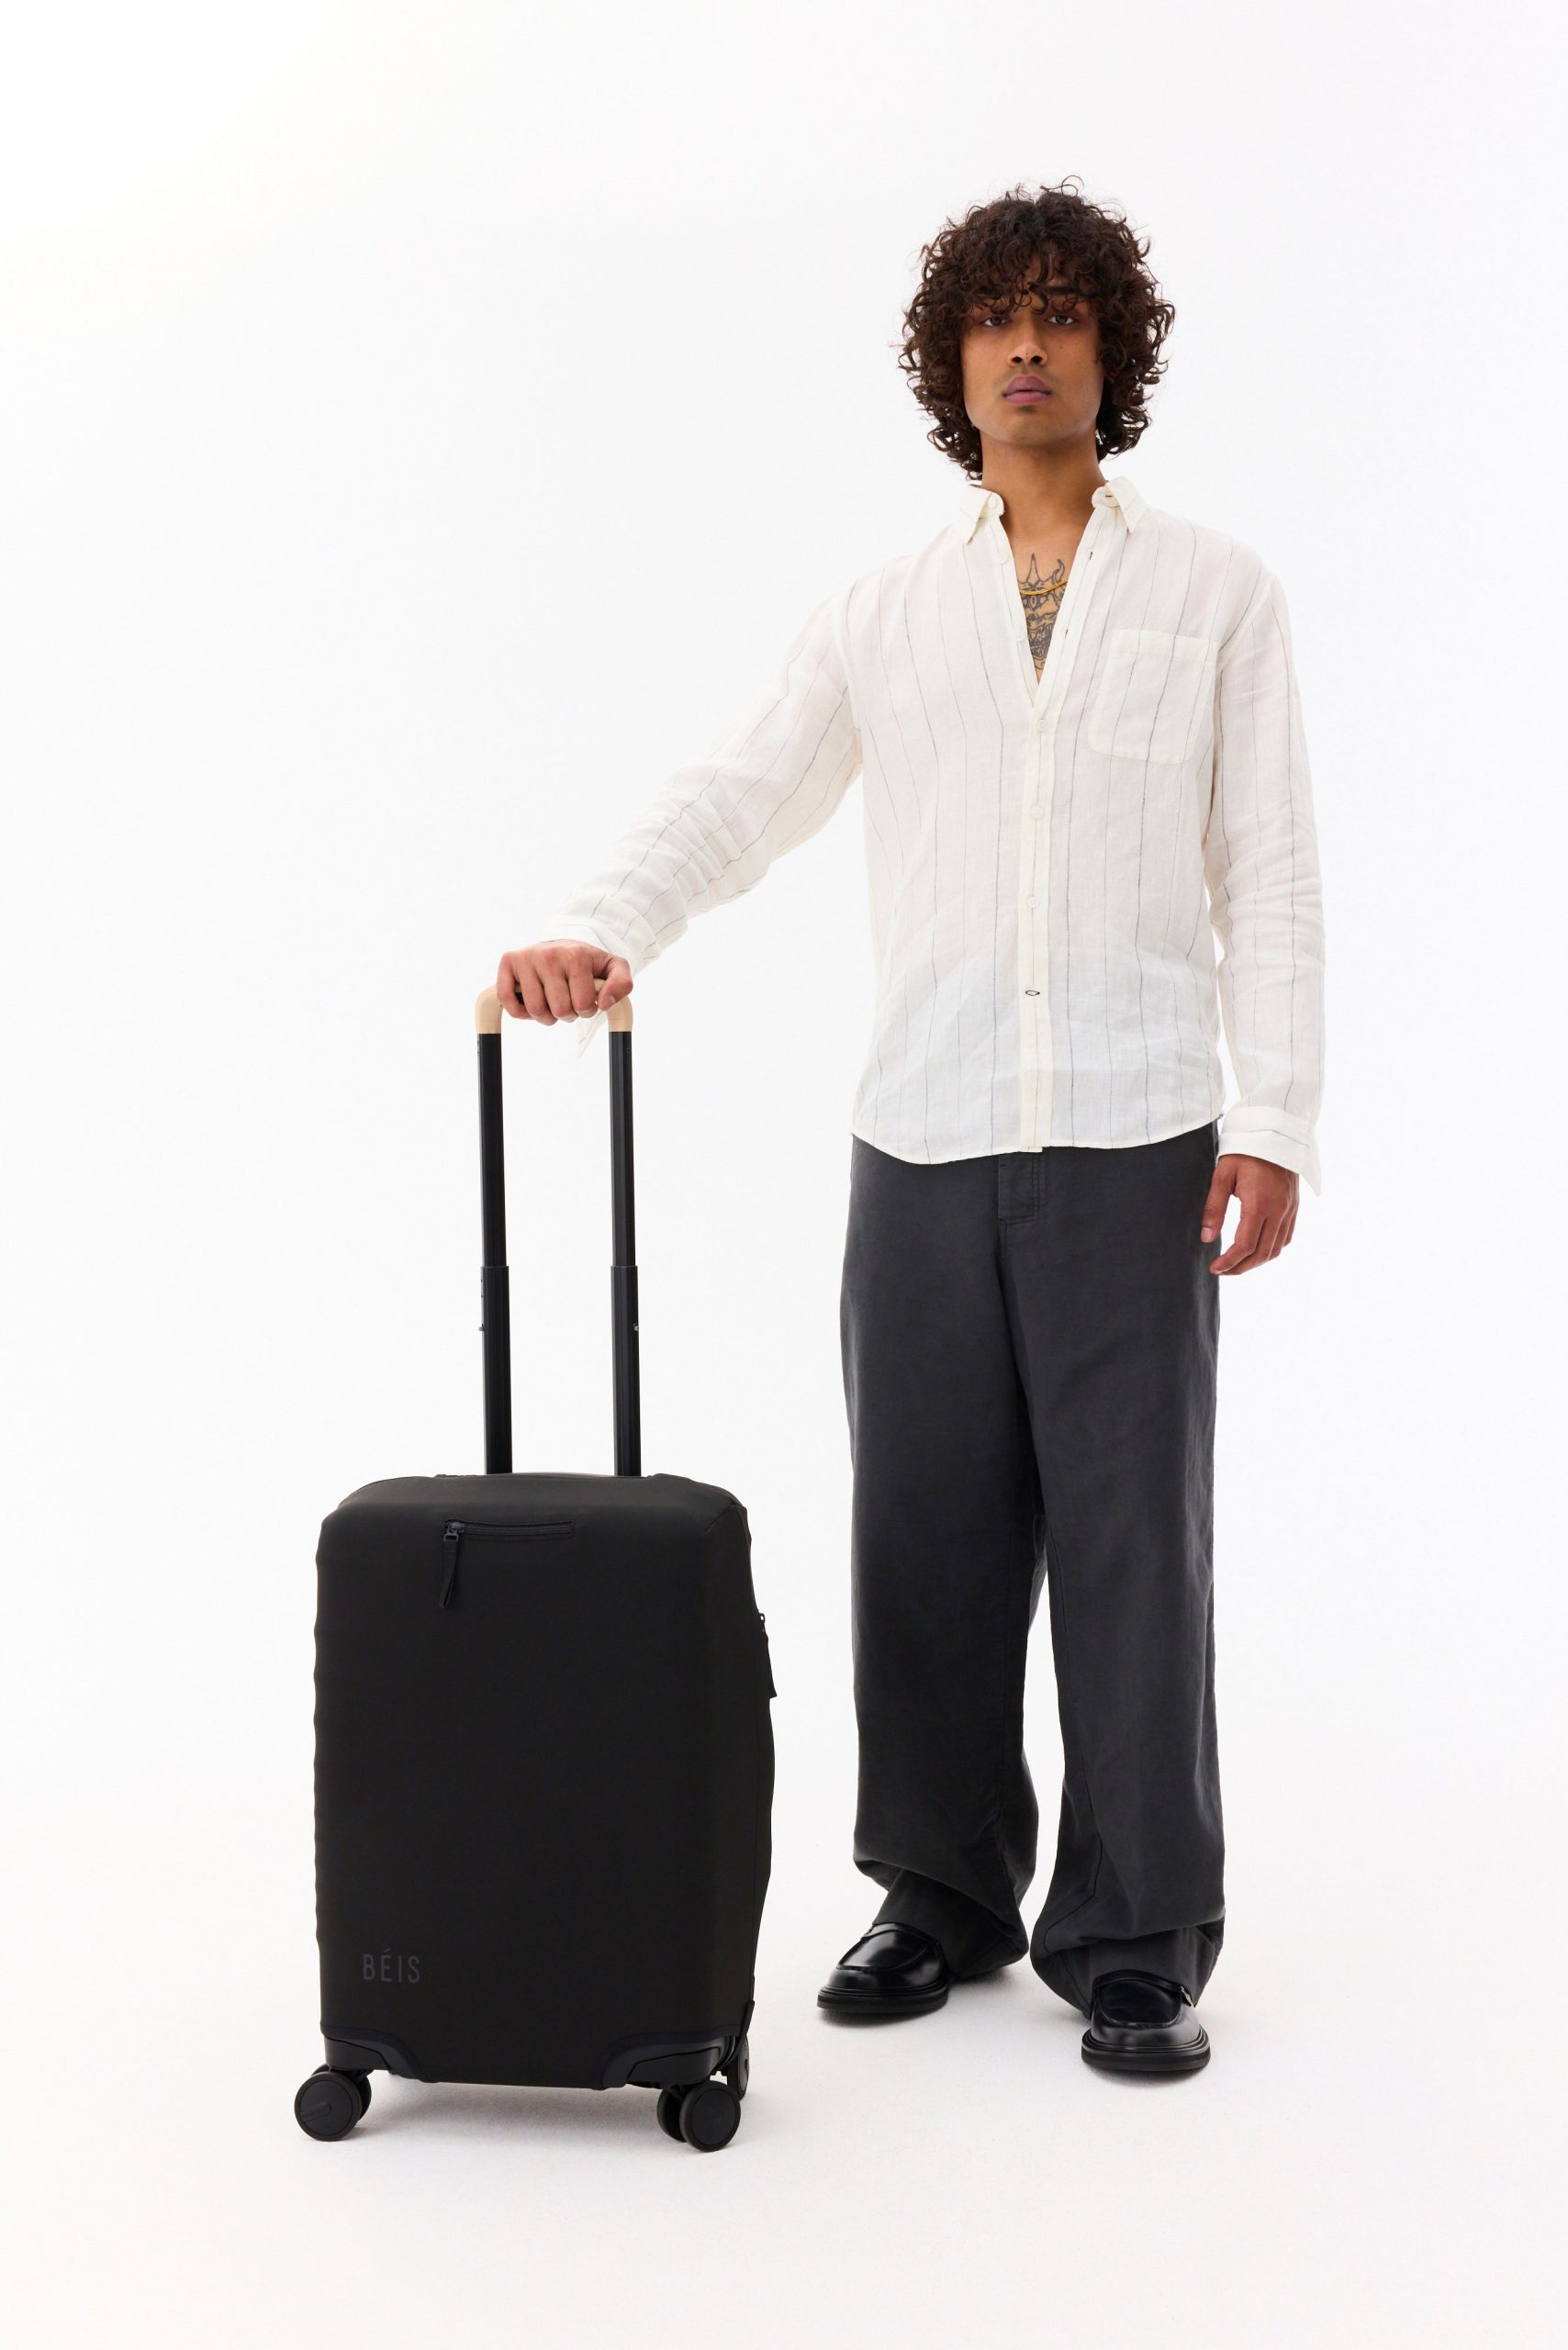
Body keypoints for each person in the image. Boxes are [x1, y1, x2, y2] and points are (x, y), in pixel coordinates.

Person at [497, 180, 1325, 2078]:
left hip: (1136, 1131)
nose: (1024, 344)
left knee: (1132, 1548)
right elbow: (743, 794)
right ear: (951, 362)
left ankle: (1134, 1937)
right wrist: (603, 925)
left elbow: (1269, 867)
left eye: (1060, 313)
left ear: (1112, 352)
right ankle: (938, 1894)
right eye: (991, 317)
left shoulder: (1215, 593)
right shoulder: (881, 612)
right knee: (922, 1538)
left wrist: (1273, 1113)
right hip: (924, 1132)